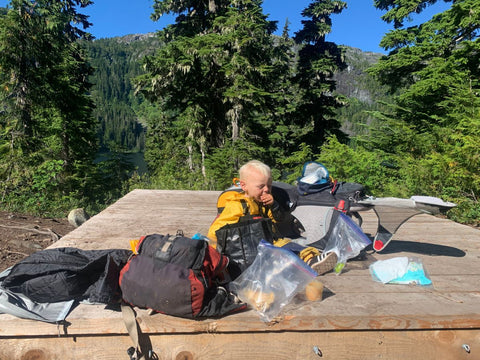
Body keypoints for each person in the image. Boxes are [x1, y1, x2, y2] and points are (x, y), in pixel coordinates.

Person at [207, 160, 337, 275]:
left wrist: (274, 205)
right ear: (243, 185)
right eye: (261, 186)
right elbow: (215, 231)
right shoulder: (238, 205)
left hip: (268, 241)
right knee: (285, 248)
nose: (266, 190)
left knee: (288, 245)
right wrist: (216, 252)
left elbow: (278, 219)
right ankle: (309, 262)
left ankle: (312, 259)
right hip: (248, 248)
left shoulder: (263, 203)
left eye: (269, 185)